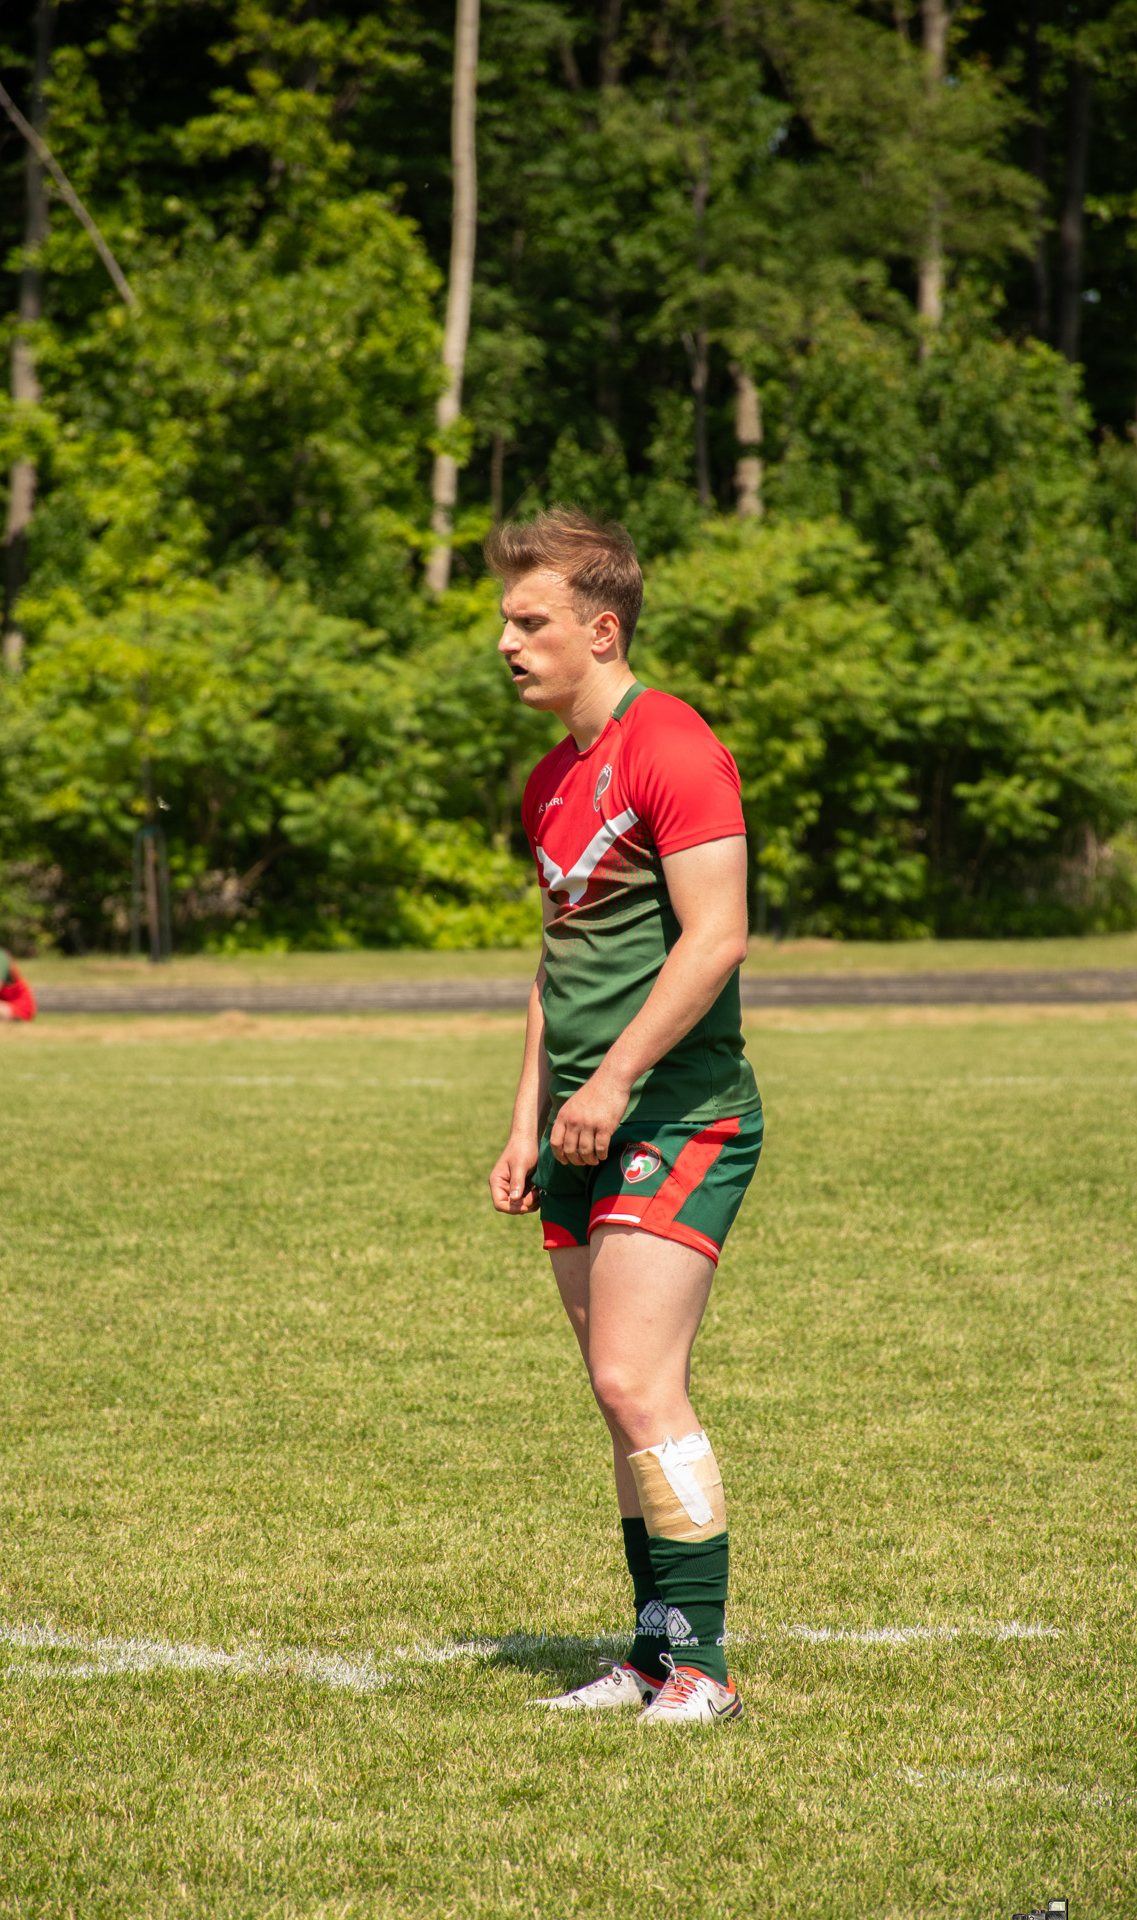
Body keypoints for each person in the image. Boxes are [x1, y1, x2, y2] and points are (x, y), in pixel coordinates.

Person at [487, 507, 763, 1728]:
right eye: (505, 618)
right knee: (619, 1393)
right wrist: (525, 1116)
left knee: (635, 1376)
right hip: (579, 1127)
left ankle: (703, 1669)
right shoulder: (551, 779)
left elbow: (718, 936)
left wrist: (611, 1085)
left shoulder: (675, 743)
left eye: (529, 619)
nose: (507, 639)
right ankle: (650, 1657)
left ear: (602, 629)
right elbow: (556, 972)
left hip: (679, 1109)